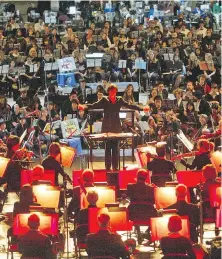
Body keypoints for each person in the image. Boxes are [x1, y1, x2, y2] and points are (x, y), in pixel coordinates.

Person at [80, 84, 149, 170]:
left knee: (116, 149)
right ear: (108, 91)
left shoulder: (119, 99)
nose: (112, 92)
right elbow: (94, 105)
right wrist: (84, 107)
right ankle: (108, 168)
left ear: (116, 91)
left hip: (116, 128)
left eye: (114, 91)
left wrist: (142, 109)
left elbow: (130, 106)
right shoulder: (104, 99)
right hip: (106, 128)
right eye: (111, 91)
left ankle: (115, 168)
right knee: (107, 149)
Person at [127, 169, 157, 244]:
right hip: (148, 216)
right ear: (146, 178)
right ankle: (147, 232)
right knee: (156, 212)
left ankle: (138, 232)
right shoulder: (151, 188)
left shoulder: (130, 186)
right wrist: (155, 189)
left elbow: (129, 196)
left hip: (133, 216)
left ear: (137, 176)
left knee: (133, 208)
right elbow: (154, 201)